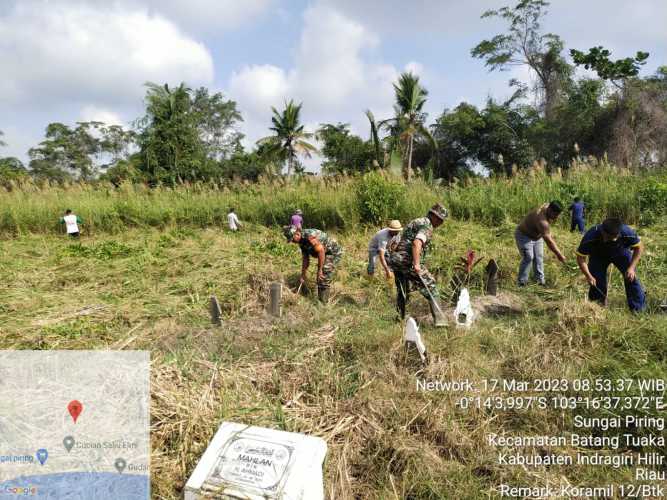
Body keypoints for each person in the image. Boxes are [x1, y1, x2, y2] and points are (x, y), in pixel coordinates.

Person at [388, 204, 448, 326]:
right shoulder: (427, 225)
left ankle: (399, 319)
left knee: (402, 290)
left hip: (396, 260)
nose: (441, 223)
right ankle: (441, 322)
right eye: (440, 220)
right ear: (434, 216)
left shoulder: (418, 221)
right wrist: (416, 265)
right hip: (407, 261)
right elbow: (417, 243)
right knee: (431, 286)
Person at [575, 217, 645, 312]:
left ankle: (638, 309)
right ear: (602, 231)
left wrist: (632, 268)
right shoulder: (591, 236)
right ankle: (597, 308)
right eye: (607, 238)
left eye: (613, 238)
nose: (608, 240)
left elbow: (639, 247)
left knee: (631, 277)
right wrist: (588, 276)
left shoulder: (626, 232)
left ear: (618, 234)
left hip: (620, 252)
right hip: (598, 256)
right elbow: (580, 258)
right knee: (596, 281)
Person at [284, 225, 343, 303]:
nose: (293, 242)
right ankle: (321, 300)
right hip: (324, 252)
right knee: (320, 276)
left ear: (297, 233)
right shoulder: (301, 242)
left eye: (293, 239)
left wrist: (320, 270)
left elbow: (321, 252)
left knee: (323, 276)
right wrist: (303, 274)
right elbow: (305, 259)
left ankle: (323, 304)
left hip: (332, 252)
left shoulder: (310, 236)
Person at [515, 201, 567, 286]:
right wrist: (559, 254)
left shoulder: (547, 206)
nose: (556, 217)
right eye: (555, 214)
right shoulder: (542, 221)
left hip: (537, 236)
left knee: (539, 257)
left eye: (558, 214)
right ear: (550, 210)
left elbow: (546, 203)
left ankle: (539, 281)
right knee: (529, 257)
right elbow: (549, 241)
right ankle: (522, 282)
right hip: (524, 236)